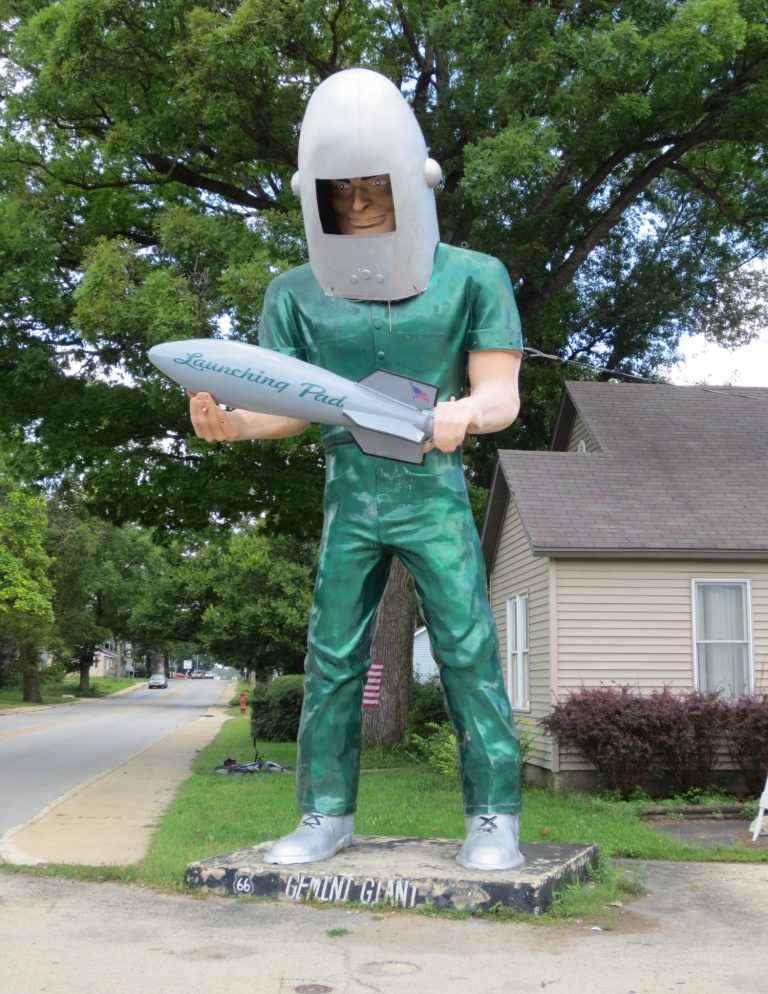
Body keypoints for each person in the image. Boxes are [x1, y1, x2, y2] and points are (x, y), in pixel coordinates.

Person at [189, 69, 524, 871]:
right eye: (347, 194)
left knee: (467, 647)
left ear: (415, 183)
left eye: (377, 190)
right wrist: (232, 425)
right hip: (351, 490)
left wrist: (464, 414)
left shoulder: (474, 276)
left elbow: (501, 393)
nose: (363, 206)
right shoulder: (295, 294)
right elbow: (290, 402)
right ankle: (324, 812)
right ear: (316, 195)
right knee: (332, 653)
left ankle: (493, 816)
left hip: (431, 488)